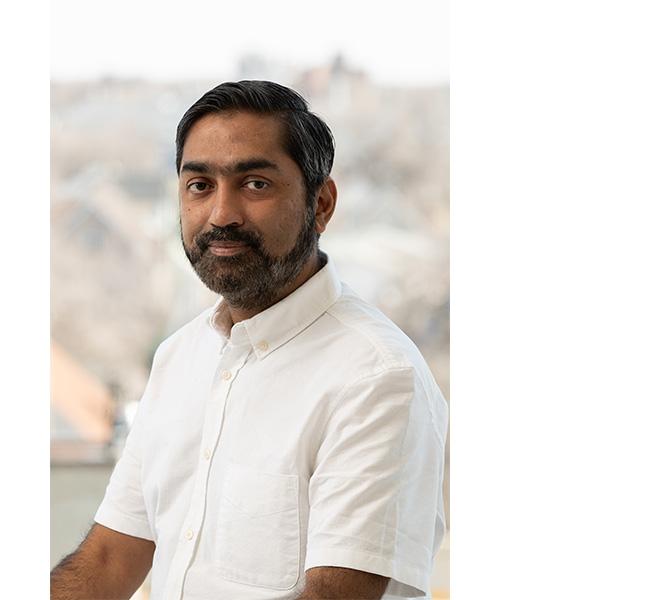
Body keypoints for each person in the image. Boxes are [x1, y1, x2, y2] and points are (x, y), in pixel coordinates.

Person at [51, 80, 448, 600]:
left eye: (255, 184)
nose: (222, 214)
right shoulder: (180, 357)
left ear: (322, 204)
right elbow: (108, 559)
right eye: (200, 186)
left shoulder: (377, 377)